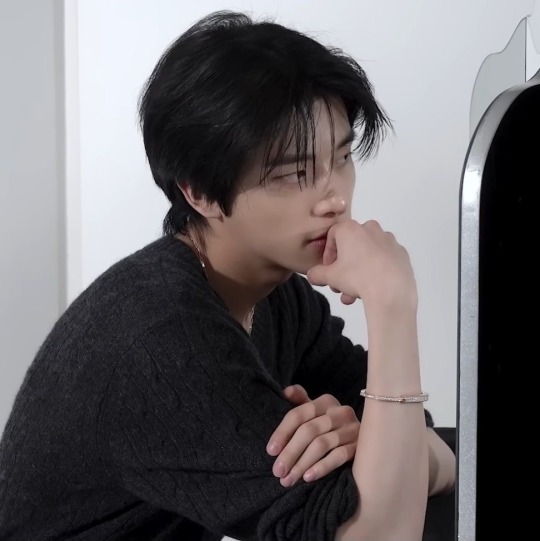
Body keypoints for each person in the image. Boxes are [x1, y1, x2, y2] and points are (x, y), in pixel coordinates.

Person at [0, 9, 456, 541]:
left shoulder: (278, 296)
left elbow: (431, 452)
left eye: (342, 157)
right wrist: (392, 300)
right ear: (199, 191)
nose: (333, 198)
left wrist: (368, 439)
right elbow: (380, 533)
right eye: (293, 173)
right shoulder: (162, 341)